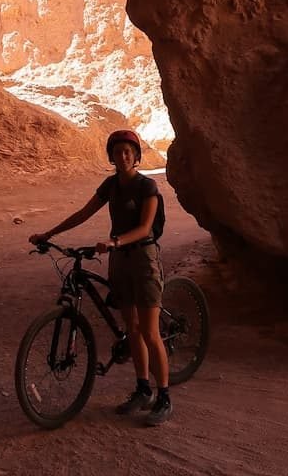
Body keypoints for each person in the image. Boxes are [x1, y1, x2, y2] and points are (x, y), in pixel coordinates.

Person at [29, 128, 172, 425]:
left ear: (136, 156)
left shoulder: (147, 186)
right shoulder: (111, 185)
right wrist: (49, 233)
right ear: (110, 156)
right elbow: (84, 213)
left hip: (143, 259)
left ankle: (164, 397)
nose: (122, 156)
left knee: (149, 332)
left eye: (127, 151)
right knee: (131, 328)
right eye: (117, 151)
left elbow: (146, 228)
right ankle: (143, 389)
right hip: (120, 261)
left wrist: (115, 241)